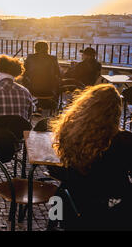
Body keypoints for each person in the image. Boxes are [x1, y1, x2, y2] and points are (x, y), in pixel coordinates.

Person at [49, 84, 132, 230]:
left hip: (76, 194)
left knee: (59, 195)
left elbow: (57, 166)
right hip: (113, 199)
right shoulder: (124, 140)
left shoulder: (70, 132)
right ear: (116, 112)